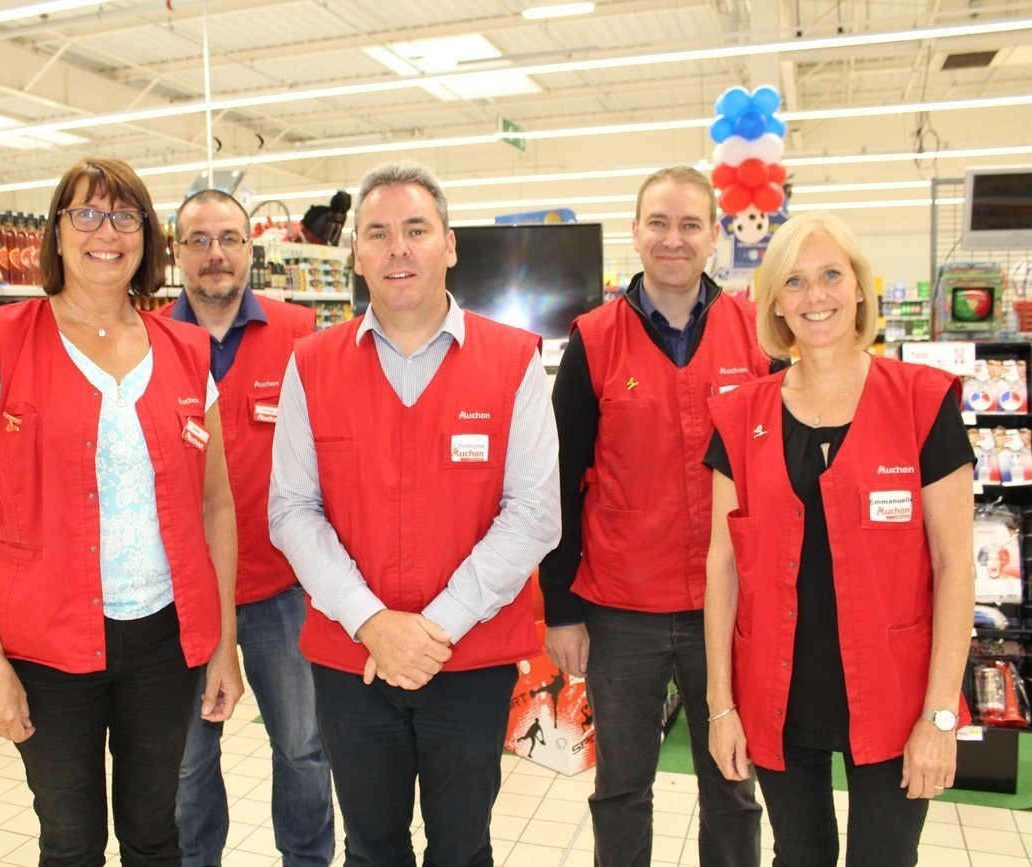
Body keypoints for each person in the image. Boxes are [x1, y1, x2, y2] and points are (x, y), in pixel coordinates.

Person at [0, 157, 243, 866]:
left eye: (125, 215)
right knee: (70, 840)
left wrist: (223, 640)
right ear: (58, 232)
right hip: (47, 647)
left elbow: (215, 504)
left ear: (146, 236)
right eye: (86, 213)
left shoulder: (187, 350)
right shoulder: (0, 345)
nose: (106, 231)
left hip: (164, 640)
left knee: (155, 831)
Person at [268, 160, 561, 867]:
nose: (398, 248)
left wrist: (432, 631)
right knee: (371, 848)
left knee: (462, 848)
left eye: (416, 230)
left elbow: (534, 514)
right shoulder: (311, 364)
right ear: (358, 253)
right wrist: (372, 622)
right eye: (378, 233)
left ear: (450, 245)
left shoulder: (513, 360)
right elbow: (291, 510)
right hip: (350, 662)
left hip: (470, 658)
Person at [704, 212, 975, 867]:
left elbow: (955, 564)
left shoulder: (923, 401)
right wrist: (720, 705)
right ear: (774, 302)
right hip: (777, 690)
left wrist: (940, 714)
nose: (815, 295)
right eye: (793, 281)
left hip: (894, 692)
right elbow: (722, 565)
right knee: (800, 855)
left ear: (859, 287)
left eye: (831, 275)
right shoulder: (741, 415)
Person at [540, 166, 765, 866]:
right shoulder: (595, 337)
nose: (674, 239)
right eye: (659, 223)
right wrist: (561, 606)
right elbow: (559, 477)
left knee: (731, 780)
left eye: (690, 224)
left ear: (715, 236)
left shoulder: (756, 335)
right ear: (635, 235)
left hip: (727, 608)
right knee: (622, 787)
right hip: (620, 606)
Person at [167, 189, 335, 867]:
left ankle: (307, 859)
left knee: (301, 746)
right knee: (185, 761)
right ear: (177, 252)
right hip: (180, 593)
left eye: (230, 238)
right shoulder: (150, 339)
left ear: (249, 249)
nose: (216, 254)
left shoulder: (301, 334)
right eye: (199, 239)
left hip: (281, 588)